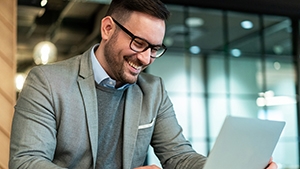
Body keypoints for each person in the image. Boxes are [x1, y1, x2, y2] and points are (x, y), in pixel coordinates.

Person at [9, 0, 278, 168]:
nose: (145, 58)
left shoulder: (154, 91)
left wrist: (227, 168)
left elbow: (179, 157)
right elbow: (26, 162)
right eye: (139, 43)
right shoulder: (46, 82)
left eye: (155, 49)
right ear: (107, 29)